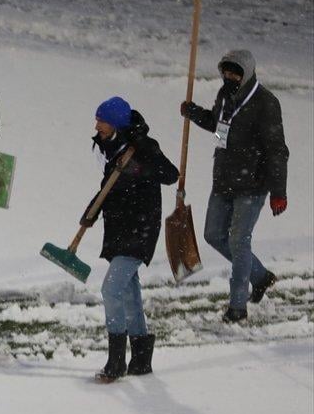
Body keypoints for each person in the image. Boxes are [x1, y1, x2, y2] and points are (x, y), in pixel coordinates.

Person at [180, 49, 288, 323]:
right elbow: (220, 127)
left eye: (235, 73)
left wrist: (278, 192)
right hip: (224, 180)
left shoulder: (266, 103)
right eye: (226, 72)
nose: (229, 77)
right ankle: (260, 276)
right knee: (214, 235)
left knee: (239, 241)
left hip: (252, 184)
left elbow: (277, 150)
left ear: (247, 73)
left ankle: (237, 306)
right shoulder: (225, 96)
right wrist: (195, 114)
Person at [84, 97, 179, 383]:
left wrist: (144, 151)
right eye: (98, 119)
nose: (97, 125)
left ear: (117, 123)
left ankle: (116, 361)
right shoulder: (110, 147)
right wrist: (91, 211)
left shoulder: (143, 146)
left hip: (140, 229)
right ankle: (140, 359)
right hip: (117, 228)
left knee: (111, 290)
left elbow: (171, 175)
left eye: (102, 120)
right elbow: (109, 186)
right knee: (128, 291)